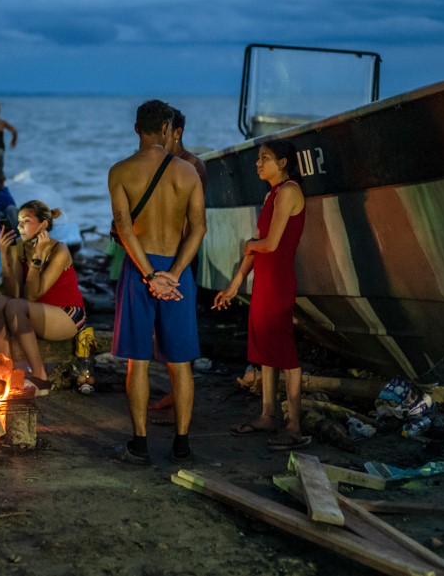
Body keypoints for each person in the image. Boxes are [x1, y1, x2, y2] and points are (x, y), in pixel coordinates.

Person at [107, 99, 206, 465]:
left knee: (138, 362)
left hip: (140, 269)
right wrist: (175, 274)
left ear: (137, 129)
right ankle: (182, 444)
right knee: (181, 364)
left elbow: (123, 228)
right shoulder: (189, 172)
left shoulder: (120, 171)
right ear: (167, 129)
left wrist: (149, 274)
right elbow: (199, 229)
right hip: (177, 272)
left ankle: (140, 443)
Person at [213, 138, 310, 450]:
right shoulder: (273, 194)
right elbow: (259, 246)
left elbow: (269, 244)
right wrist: (235, 283)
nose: (258, 163)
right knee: (266, 351)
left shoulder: (290, 191)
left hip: (279, 281)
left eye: (265, 158)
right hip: (264, 282)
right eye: (258, 158)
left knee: (285, 354)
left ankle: (294, 426)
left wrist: (250, 245)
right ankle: (268, 415)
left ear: (282, 162)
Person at [147, 107, 210, 423]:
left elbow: (193, 222)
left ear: (176, 132)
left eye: (165, 130)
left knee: (178, 335)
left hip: (181, 257)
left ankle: (179, 398)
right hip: (160, 256)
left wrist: (174, 267)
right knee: (163, 335)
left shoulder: (192, 166)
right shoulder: (157, 164)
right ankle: (174, 393)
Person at [0, 200, 87, 396]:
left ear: (43, 225)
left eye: (26, 221)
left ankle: (41, 378)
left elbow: (32, 294)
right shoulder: (20, 247)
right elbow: (13, 293)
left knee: (15, 307)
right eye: (18, 222)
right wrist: (4, 255)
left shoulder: (60, 250)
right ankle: (7, 374)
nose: (19, 227)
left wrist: (37, 258)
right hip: (37, 313)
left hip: (68, 315)